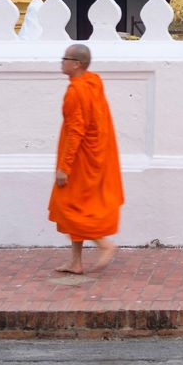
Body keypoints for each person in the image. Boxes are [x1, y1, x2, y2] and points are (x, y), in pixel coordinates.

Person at [48, 43, 124, 275]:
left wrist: (64, 167)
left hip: (79, 160)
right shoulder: (93, 82)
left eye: (65, 58)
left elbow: (76, 131)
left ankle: (104, 244)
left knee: (71, 208)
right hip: (94, 156)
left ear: (76, 64)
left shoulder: (77, 90)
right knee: (77, 204)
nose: (62, 62)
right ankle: (75, 262)